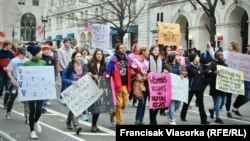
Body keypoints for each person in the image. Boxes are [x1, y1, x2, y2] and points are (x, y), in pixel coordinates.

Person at [106, 43, 132, 125]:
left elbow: (131, 69)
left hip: (125, 84)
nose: (123, 49)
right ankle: (119, 122)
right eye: (121, 48)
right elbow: (108, 70)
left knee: (124, 104)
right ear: (117, 50)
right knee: (119, 104)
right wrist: (107, 74)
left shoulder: (128, 59)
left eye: (124, 47)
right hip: (117, 84)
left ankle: (113, 113)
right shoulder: (113, 60)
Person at [180, 53, 210, 125]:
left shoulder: (201, 65)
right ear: (194, 58)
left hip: (199, 88)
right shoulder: (189, 66)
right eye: (197, 56)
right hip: (191, 87)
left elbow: (205, 73)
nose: (198, 57)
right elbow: (183, 73)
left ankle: (203, 120)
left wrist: (213, 71)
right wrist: (182, 74)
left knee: (201, 104)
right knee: (186, 103)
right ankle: (182, 115)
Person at [25, 45, 46, 139]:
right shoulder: (27, 63)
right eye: (40, 51)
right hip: (30, 90)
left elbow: (46, 75)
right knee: (32, 110)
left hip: (40, 89)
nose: (41, 53)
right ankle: (32, 131)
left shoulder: (43, 62)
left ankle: (36, 121)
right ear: (36, 53)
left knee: (38, 110)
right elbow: (23, 77)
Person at [62, 51, 85, 135]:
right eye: (77, 57)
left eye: (80, 56)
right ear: (73, 58)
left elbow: (85, 76)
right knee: (74, 107)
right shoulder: (69, 68)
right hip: (71, 90)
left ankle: (68, 121)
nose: (79, 58)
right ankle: (77, 126)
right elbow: (63, 79)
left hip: (81, 89)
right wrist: (71, 82)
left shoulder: (83, 66)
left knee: (74, 107)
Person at [5, 47, 29, 123]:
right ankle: (8, 112)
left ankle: (27, 116)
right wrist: (13, 79)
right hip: (15, 81)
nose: (27, 53)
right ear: (22, 52)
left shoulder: (27, 61)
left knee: (26, 100)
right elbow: (8, 71)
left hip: (24, 82)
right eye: (26, 52)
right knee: (12, 98)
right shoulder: (14, 60)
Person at [164, 51, 188, 125]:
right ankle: (172, 119)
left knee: (177, 104)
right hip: (170, 86)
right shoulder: (166, 65)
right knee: (172, 103)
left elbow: (185, 71)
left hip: (178, 86)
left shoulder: (179, 64)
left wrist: (182, 74)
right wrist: (165, 72)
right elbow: (163, 72)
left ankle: (168, 112)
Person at [86, 49, 106, 132]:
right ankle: (93, 124)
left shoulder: (104, 64)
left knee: (98, 106)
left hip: (101, 86)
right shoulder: (90, 63)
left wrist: (106, 75)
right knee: (95, 106)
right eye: (97, 54)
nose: (99, 55)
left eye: (100, 54)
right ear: (95, 55)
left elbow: (106, 72)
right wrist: (91, 74)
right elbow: (86, 72)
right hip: (92, 86)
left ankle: (94, 124)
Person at [131, 45, 149, 125]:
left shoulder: (147, 61)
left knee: (144, 102)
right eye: (147, 51)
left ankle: (141, 120)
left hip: (145, 82)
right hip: (138, 82)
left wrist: (147, 76)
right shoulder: (135, 61)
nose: (148, 53)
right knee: (141, 102)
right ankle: (137, 120)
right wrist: (137, 78)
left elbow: (147, 71)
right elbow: (132, 72)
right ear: (143, 52)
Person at [148, 45, 164, 125]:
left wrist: (165, 72)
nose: (157, 51)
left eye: (158, 50)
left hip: (159, 83)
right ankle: (152, 118)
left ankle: (154, 116)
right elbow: (146, 69)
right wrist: (149, 73)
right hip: (150, 83)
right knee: (151, 101)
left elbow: (163, 68)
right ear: (151, 51)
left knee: (159, 101)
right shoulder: (148, 59)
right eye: (155, 50)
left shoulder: (161, 59)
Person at [57, 39, 74, 105]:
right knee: (64, 83)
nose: (68, 44)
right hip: (63, 69)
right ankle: (62, 97)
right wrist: (65, 69)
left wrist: (71, 68)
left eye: (69, 42)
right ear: (64, 43)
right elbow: (60, 60)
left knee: (70, 83)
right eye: (67, 42)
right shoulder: (60, 50)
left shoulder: (72, 50)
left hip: (70, 68)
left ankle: (68, 97)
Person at [0, 40, 14, 108]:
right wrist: (3, 68)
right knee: (0, 88)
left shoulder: (11, 53)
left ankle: (5, 103)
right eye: (10, 45)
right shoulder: (0, 52)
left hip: (8, 73)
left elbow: (13, 62)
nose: (11, 46)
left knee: (8, 89)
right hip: (1, 73)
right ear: (6, 45)